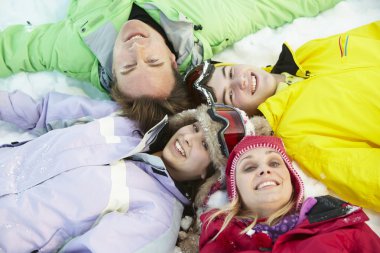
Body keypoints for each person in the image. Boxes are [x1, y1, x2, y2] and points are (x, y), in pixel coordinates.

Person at [0, 89, 258, 252]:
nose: (188, 137)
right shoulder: (127, 124)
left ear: (208, 175)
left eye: (204, 145)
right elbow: (42, 111)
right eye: (193, 127)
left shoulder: (157, 215)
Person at [0, 1, 342, 119]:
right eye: (153, 62)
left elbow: (10, 50)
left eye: (128, 66)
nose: (136, 49)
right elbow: (272, 5)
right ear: (172, 58)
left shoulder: (75, 47)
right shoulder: (204, 24)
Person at [185, 21, 380, 212]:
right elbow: (366, 177)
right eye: (230, 95)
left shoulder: (307, 54)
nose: (240, 81)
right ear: (241, 115)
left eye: (230, 72)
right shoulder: (295, 132)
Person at [199, 136, 380, 253]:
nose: (264, 170)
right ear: (235, 190)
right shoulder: (220, 241)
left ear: (292, 180)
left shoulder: (338, 221)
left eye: (275, 163)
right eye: (250, 167)